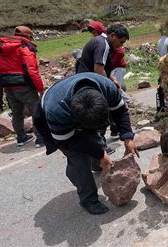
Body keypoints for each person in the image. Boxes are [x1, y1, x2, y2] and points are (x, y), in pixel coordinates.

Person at [33, 73, 137, 215]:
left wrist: (127, 137)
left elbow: (120, 111)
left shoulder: (107, 88)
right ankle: (88, 199)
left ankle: (97, 164)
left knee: (97, 140)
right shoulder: (57, 111)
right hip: (52, 117)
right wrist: (100, 153)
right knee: (78, 158)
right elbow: (68, 141)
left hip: (80, 109)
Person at [77, 24, 130, 153]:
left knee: (96, 116)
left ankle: (97, 147)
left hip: (86, 82)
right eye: (120, 41)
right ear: (112, 36)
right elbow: (98, 69)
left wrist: (112, 80)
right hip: (91, 85)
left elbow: (103, 69)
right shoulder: (103, 44)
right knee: (100, 115)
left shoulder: (99, 42)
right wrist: (110, 87)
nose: (121, 45)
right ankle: (100, 149)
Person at [0, 26, 44, 147]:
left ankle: (21, 137)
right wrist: (40, 88)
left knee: (17, 112)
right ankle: (41, 138)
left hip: (8, 84)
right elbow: (32, 70)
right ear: (27, 36)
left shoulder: (1, 48)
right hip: (23, 85)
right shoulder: (24, 48)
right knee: (36, 111)